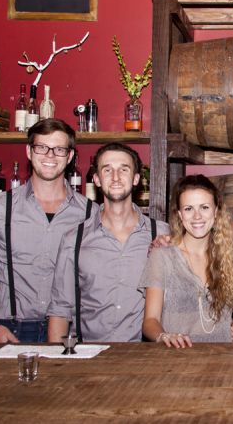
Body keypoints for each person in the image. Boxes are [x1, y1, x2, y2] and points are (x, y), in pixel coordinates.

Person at [0, 119, 90, 343]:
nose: (50, 156)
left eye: (59, 149)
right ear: (29, 152)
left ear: (69, 157)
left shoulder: (90, 212)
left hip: (69, 331)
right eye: (42, 147)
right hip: (10, 329)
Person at [47, 143, 169, 342]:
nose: (115, 177)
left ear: (136, 178)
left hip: (146, 357)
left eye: (124, 169)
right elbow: (60, 310)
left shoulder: (162, 234)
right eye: (107, 170)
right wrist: (55, 366)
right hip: (89, 358)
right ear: (96, 179)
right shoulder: (74, 239)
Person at [140, 175, 233, 347]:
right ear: (180, 214)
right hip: (176, 362)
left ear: (216, 212)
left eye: (204, 207)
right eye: (188, 209)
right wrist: (164, 336)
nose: (197, 216)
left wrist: (230, 330)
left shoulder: (228, 257)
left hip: (221, 360)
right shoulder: (162, 257)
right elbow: (150, 321)